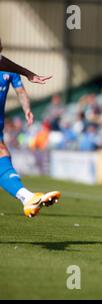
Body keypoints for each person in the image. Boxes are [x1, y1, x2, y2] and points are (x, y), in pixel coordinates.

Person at [0, 71, 60, 217]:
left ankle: (27, 197)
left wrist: (27, 109)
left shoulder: (9, 69)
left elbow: (21, 92)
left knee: (3, 155)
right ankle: (27, 197)